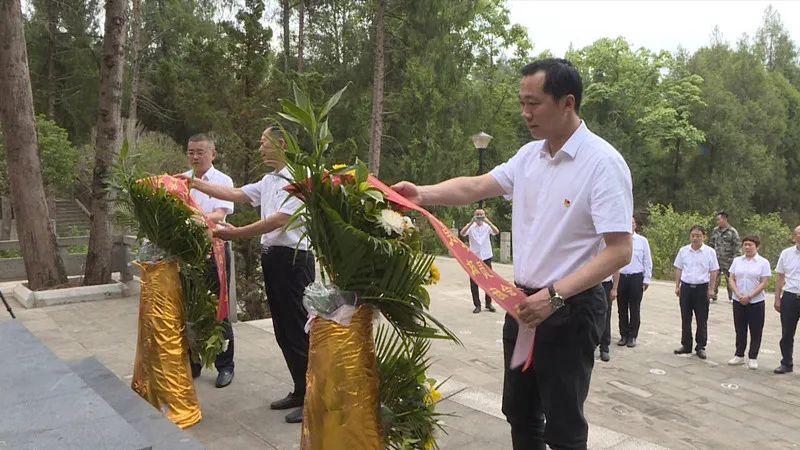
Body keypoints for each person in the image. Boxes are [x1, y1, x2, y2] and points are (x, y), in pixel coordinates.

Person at [392, 58, 633, 449]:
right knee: (520, 414)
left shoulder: (602, 164)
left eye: (534, 103)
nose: (525, 113)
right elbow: (475, 187)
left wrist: (554, 295)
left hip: (569, 308)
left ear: (567, 102)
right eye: (522, 103)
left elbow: (620, 251)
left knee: (564, 426)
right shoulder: (529, 157)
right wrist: (422, 194)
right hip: (523, 304)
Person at [178, 126, 314, 423]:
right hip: (274, 259)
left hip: (294, 261)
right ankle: (300, 390)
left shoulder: (301, 177)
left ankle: (314, 400)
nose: (260, 148)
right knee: (283, 330)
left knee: (297, 329)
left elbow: (279, 219)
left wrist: (237, 233)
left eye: (264, 143)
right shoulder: (270, 180)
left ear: (281, 144)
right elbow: (236, 194)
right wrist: (195, 185)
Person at [182, 133, 236, 388]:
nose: (195, 156)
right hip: (189, 251)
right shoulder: (182, 179)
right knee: (191, 307)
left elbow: (220, 213)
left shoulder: (223, 181)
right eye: (191, 151)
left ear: (212, 154)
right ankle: (193, 362)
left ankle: (226, 365)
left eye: (200, 152)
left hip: (215, 249)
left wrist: (197, 219)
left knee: (218, 307)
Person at [673, 225, 719, 360]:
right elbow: (679, 269)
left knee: (701, 318)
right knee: (685, 317)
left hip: (702, 288)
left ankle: (700, 346)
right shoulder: (683, 251)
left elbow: (714, 271)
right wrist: (677, 286)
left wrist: (711, 289)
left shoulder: (710, 252)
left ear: (703, 236)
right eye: (693, 235)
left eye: (698, 235)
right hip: (686, 287)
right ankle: (686, 344)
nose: (695, 238)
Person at [726, 235, 771, 370]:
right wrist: (738, 294)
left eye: (750, 245)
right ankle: (739, 354)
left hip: (756, 301)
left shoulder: (763, 262)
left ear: (757, 246)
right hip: (738, 300)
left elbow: (764, 282)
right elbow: (731, 278)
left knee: (756, 330)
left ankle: (753, 357)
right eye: (745, 244)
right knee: (740, 328)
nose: (747, 247)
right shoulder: (737, 261)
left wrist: (750, 296)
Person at [613, 216, 653, 350]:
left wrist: (646, 279)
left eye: (632, 223)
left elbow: (647, 261)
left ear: (635, 225)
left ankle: (632, 336)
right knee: (621, 307)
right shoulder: (618, 241)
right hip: (621, 277)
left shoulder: (642, 241)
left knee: (634, 308)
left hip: (636, 277)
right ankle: (623, 335)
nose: (630, 225)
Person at [460, 209, 499, 313]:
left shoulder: (487, 227)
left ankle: (488, 303)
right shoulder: (471, 227)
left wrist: (489, 222)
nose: (480, 216)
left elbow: (496, 232)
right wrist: (470, 223)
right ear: (474, 216)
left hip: (486, 256)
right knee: (474, 282)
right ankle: (477, 305)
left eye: (481, 214)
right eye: (477, 215)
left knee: (489, 281)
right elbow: (462, 233)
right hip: (474, 258)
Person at [773, 225, 800, 374]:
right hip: (790, 296)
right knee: (787, 332)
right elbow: (780, 277)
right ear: (793, 236)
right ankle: (786, 362)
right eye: (798, 233)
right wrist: (777, 298)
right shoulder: (786, 253)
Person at [708, 211, 741, 303]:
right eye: (717, 220)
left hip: (728, 260)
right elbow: (711, 244)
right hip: (716, 259)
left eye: (719, 219)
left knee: (730, 279)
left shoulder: (732, 231)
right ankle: (712, 295)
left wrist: (736, 259)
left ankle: (732, 297)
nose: (718, 221)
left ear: (725, 219)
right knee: (714, 278)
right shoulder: (715, 230)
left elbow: (737, 246)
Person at [598, 275, 615, 362]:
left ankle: (604, 347)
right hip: (588, 283)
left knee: (606, 315)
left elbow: (617, 268)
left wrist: (615, 288)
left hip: (606, 284)